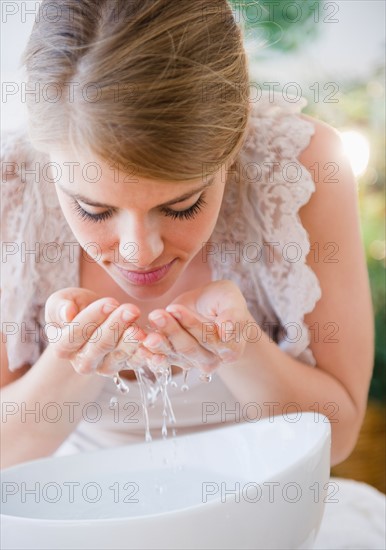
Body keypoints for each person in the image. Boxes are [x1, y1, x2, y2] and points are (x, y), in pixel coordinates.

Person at [0, 0, 374, 472]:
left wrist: (241, 344)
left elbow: (336, 439)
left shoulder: (303, 167)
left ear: (234, 147)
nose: (140, 251)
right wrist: (72, 361)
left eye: (182, 205)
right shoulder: (8, 190)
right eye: (93, 209)